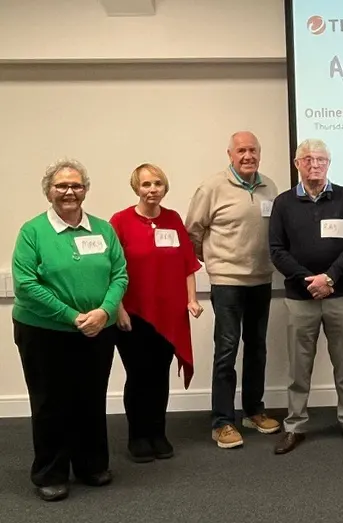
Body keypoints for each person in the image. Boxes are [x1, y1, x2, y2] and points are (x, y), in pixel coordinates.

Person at [12, 158, 128, 502]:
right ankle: (51, 472)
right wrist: (72, 316)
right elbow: (25, 283)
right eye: (62, 186)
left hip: (97, 330)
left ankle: (91, 465)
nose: (69, 192)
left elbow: (119, 273)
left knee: (90, 399)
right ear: (49, 191)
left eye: (76, 186)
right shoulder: (32, 231)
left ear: (86, 190)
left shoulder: (103, 230)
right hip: (44, 331)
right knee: (51, 402)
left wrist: (105, 311)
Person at [269, 138, 343, 454]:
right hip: (300, 298)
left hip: (340, 295)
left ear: (329, 163)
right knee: (299, 367)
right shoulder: (283, 203)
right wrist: (307, 280)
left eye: (321, 160)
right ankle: (295, 424)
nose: (315, 165)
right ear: (297, 164)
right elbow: (276, 250)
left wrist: (330, 278)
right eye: (308, 159)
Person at [186, 131, 281, 448]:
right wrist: (214, 262)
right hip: (227, 282)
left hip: (261, 279)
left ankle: (254, 411)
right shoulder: (212, 187)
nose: (247, 156)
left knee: (257, 348)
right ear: (230, 154)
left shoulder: (270, 187)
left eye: (253, 150)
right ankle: (222, 422)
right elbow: (192, 233)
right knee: (226, 351)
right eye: (241, 150)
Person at [110, 163, 203, 463]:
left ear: (165, 187)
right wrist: (118, 309)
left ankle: (157, 433)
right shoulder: (120, 221)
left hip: (170, 314)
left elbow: (188, 263)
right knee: (138, 375)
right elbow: (111, 270)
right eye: (146, 184)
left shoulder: (173, 219)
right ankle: (137, 436)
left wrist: (192, 300)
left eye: (158, 184)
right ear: (136, 187)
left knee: (160, 375)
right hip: (133, 314)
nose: (152, 190)